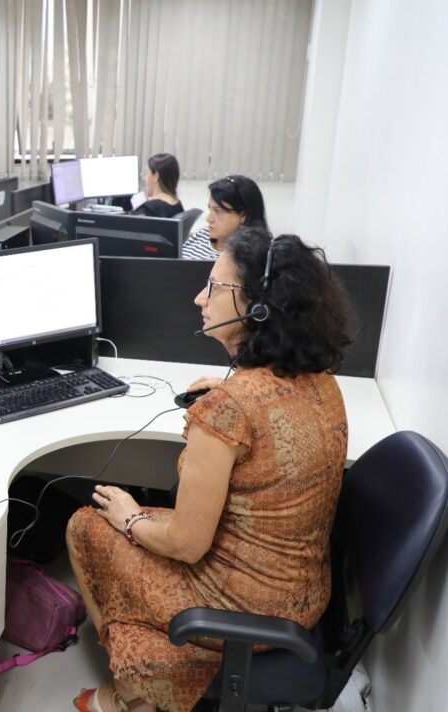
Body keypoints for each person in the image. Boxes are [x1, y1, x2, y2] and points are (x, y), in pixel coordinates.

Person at [67, 227, 355, 712]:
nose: (200, 298)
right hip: (306, 597)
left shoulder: (229, 409)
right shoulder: (321, 380)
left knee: (86, 525)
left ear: (257, 308)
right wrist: (230, 392)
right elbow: (267, 420)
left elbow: (186, 545)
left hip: (243, 607)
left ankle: (132, 693)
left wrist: (130, 517)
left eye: (215, 287)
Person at [181, 175, 266, 260]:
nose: (209, 219)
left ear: (243, 215)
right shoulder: (203, 234)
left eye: (218, 211)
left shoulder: (245, 258)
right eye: (210, 209)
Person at [132, 153, 183, 218]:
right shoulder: (177, 204)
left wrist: (140, 208)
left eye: (147, 173)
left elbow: (131, 223)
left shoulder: (149, 209)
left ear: (156, 176)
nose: (145, 179)